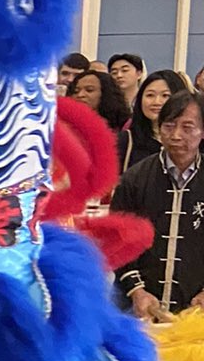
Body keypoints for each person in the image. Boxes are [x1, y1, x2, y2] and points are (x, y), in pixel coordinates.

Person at [112, 89, 204, 319]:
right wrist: (137, 291)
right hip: (140, 307)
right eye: (169, 126)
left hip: (195, 311)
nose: (176, 135)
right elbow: (116, 241)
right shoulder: (135, 179)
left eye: (187, 127)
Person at [123, 67, 190, 168]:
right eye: (150, 95)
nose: (156, 102)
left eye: (165, 95)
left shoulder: (195, 141)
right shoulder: (126, 141)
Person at [69, 65, 130, 137]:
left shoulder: (125, 126)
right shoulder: (63, 125)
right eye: (76, 91)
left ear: (105, 93)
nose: (80, 95)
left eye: (89, 90)